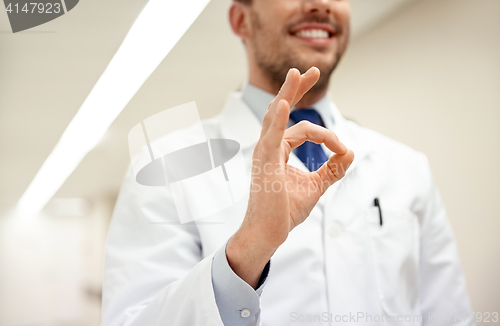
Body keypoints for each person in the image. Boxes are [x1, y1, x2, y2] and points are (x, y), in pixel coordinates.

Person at [101, 0, 474, 325]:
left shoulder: (407, 168)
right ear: (240, 20)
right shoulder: (164, 167)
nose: (321, 4)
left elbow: (451, 315)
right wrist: (250, 248)